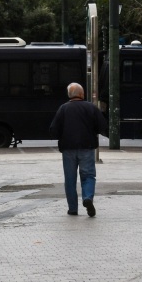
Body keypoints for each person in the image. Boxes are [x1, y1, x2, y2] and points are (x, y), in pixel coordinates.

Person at [48, 82, 107, 217]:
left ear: (69, 95)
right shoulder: (91, 107)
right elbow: (102, 126)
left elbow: (54, 130)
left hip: (68, 148)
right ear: (82, 94)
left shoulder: (63, 108)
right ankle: (87, 198)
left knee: (70, 179)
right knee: (88, 176)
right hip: (87, 147)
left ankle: (72, 209)